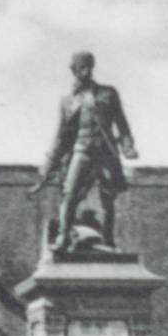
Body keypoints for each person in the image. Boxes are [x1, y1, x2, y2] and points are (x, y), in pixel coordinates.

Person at [29, 51, 138, 252]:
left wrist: (128, 146)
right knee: (69, 193)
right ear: (74, 70)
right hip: (82, 151)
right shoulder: (68, 101)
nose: (84, 70)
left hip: (106, 152)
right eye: (80, 67)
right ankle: (64, 236)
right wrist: (48, 168)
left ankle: (108, 239)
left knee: (108, 196)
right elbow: (60, 137)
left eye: (87, 66)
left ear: (92, 67)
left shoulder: (108, 93)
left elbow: (122, 124)